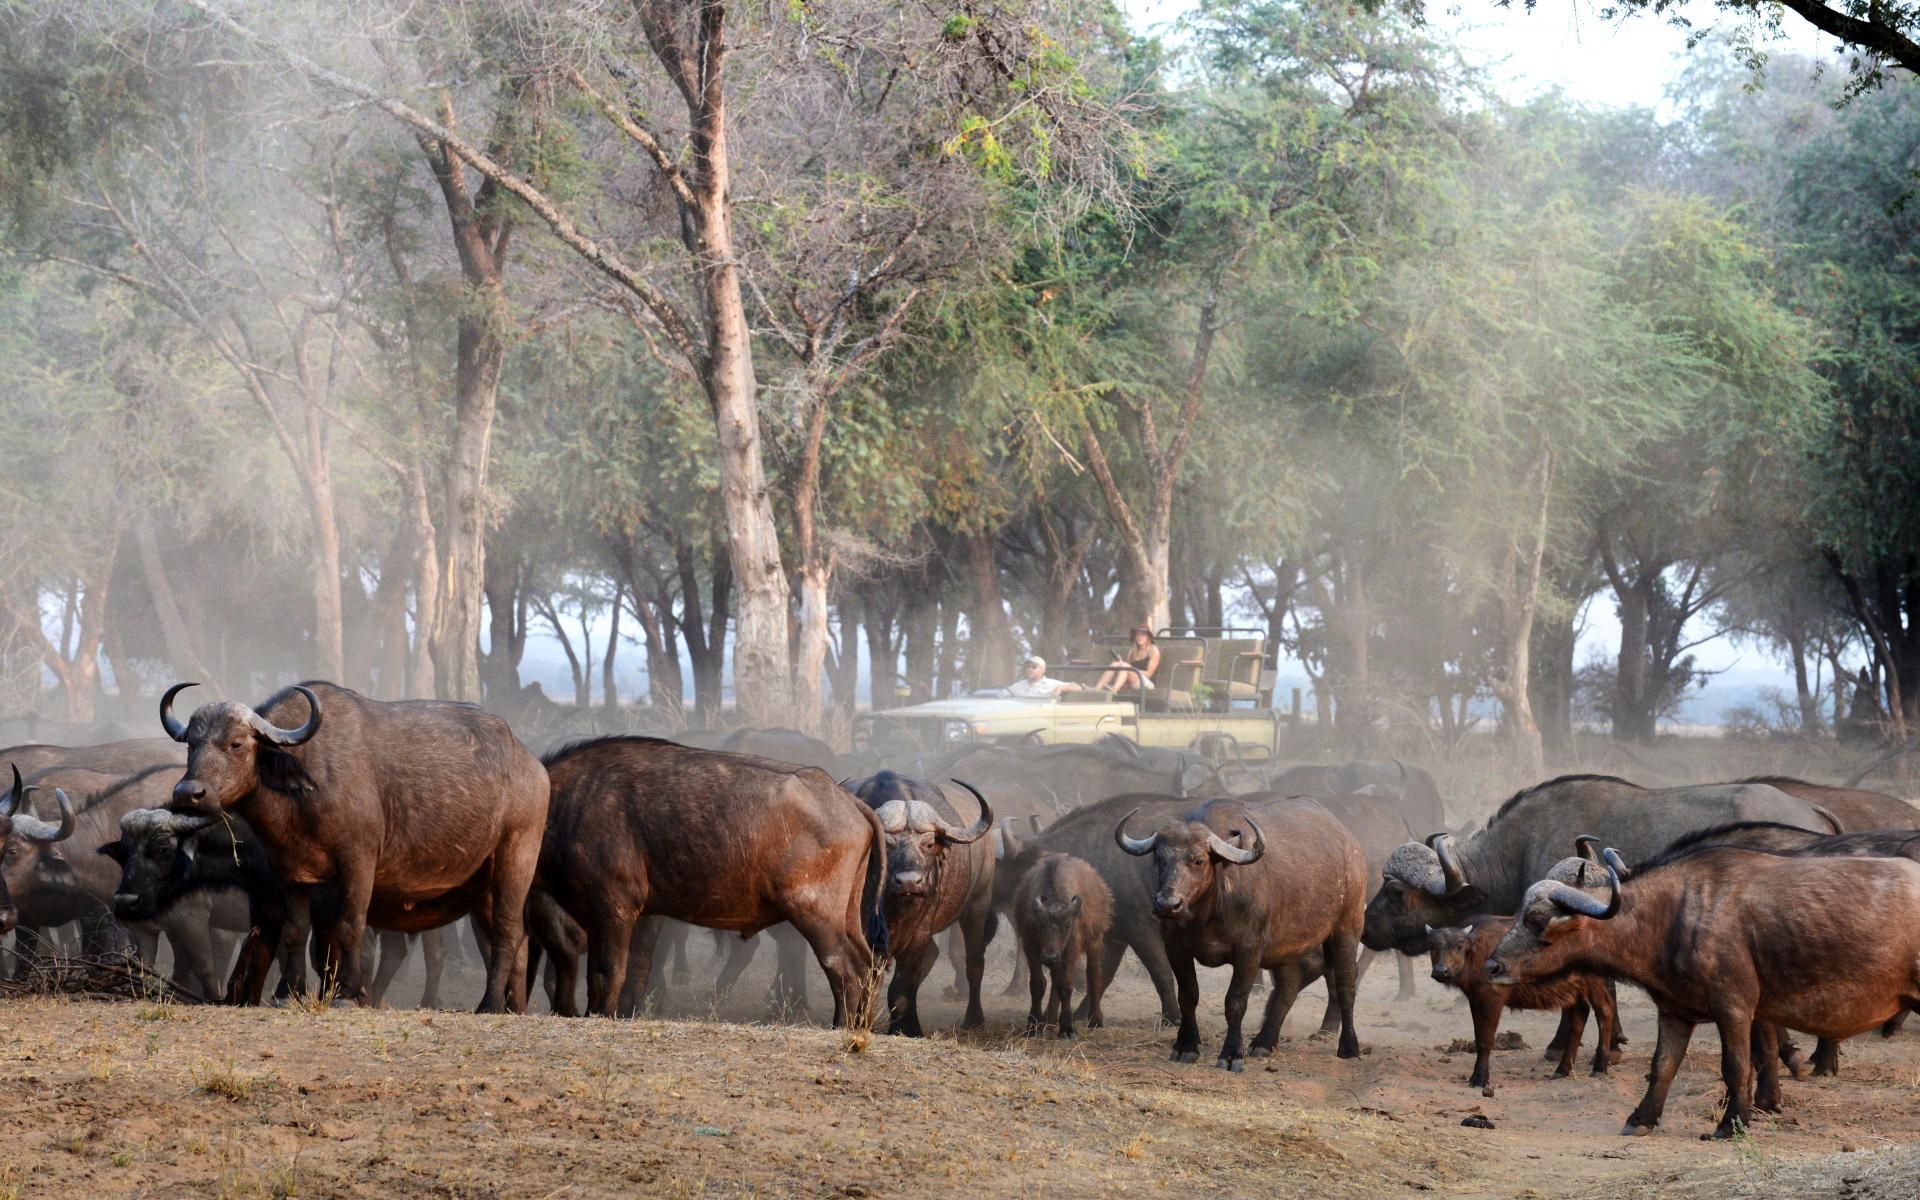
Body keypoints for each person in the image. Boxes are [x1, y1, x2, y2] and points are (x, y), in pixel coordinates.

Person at [1096, 625, 1160, 693]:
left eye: (1143, 635)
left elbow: (1149, 674)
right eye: (1138, 635)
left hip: (1146, 683)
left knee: (1125, 666)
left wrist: (1131, 669)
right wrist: (1121, 664)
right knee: (1115, 664)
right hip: (1132, 680)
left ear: (1148, 637)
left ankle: (1114, 690)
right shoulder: (1132, 651)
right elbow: (1126, 670)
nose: (1140, 637)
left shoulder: (1153, 651)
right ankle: (1097, 689)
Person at [1006, 655, 1082, 698]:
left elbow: (1078, 687)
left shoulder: (1052, 684)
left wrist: (1060, 689)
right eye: (1028, 667)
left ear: (1043, 670)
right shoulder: (1018, 686)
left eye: (1034, 667)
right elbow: (1001, 694)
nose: (1030, 669)